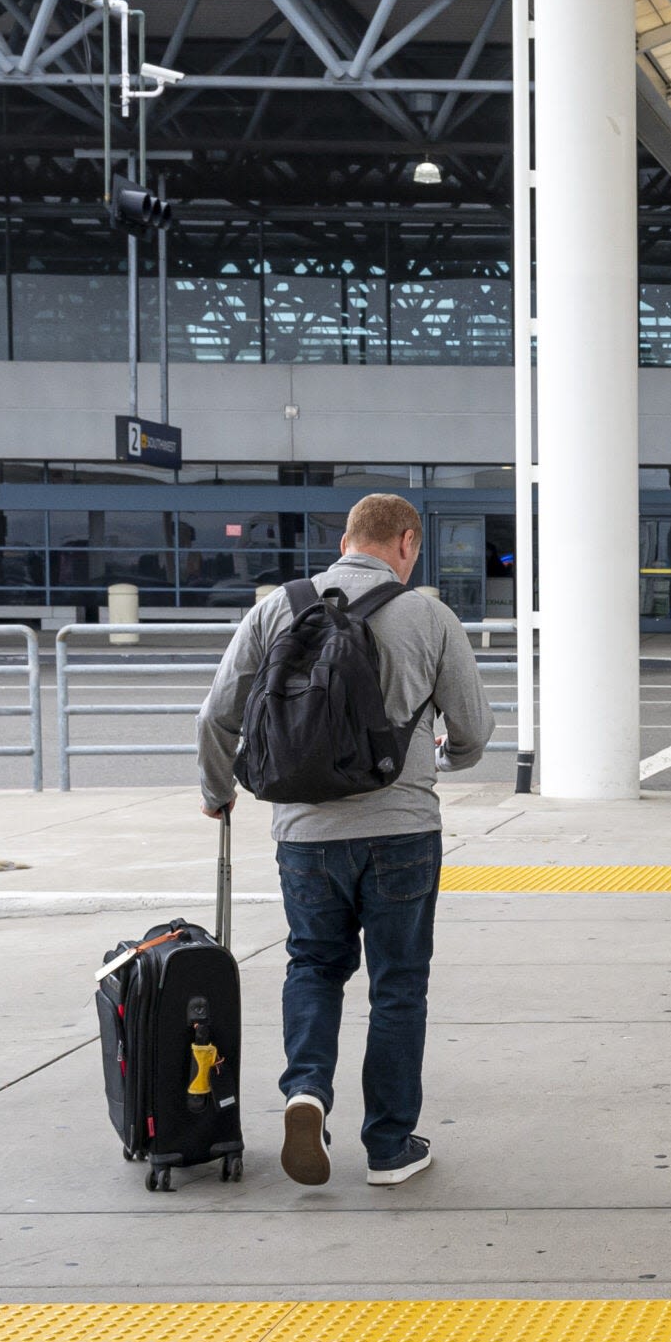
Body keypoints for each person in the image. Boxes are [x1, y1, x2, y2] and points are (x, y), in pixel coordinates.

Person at [195, 494, 492, 1188]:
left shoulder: (278, 608)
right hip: (402, 832)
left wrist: (218, 794)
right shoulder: (429, 615)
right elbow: (474, 733)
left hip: (304, 833)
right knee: (398, 985)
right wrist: (438, 758)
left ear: (347, 541)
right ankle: (389, 1148)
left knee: (313, 966)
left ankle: (306, 1092)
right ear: (406, 543)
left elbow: (216, 716)